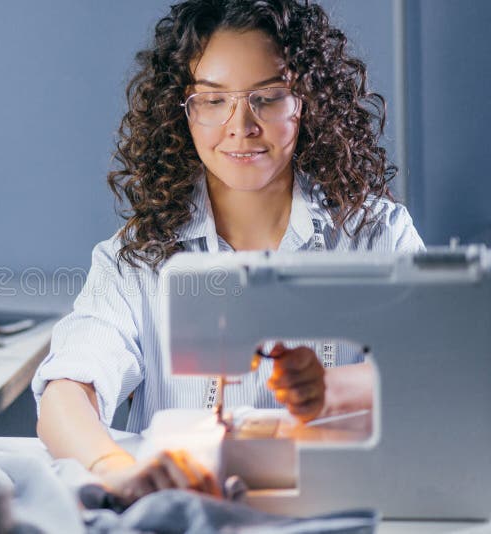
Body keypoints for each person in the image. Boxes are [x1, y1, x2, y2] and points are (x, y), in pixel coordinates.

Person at [33, 0, 424, 504]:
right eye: (213, 100)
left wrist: (337, 388)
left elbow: (441, 370)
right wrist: (114, 469)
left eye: (268, 96)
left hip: (334, 506)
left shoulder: (376, 234)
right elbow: (67, 391)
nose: (241, 125)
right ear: (183, 109)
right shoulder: (140, 257)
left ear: (306, 100)